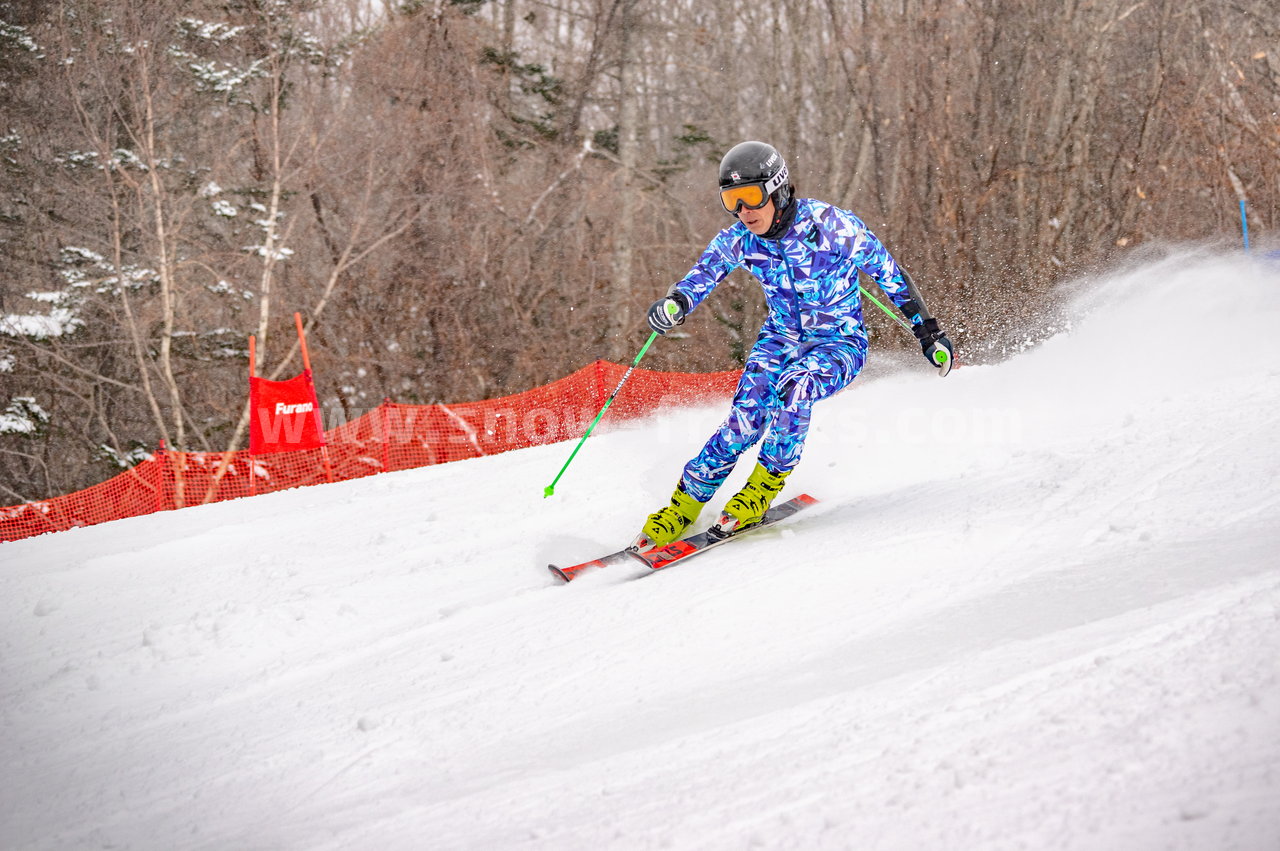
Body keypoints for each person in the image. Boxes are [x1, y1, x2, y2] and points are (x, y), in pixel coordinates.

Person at [632, 140, 953, 551]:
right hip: (780, 340)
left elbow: (890, 274)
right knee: (742, 423)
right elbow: (702, 275)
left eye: (750, 197)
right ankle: (682, 506)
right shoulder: (742, 239)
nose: (743, 212)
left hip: (838, 343)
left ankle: (759, 491)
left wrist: (928, 333)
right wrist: (676, 303)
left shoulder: (833, 227)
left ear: (778, 189)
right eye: (731, 201)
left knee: (796, 387)